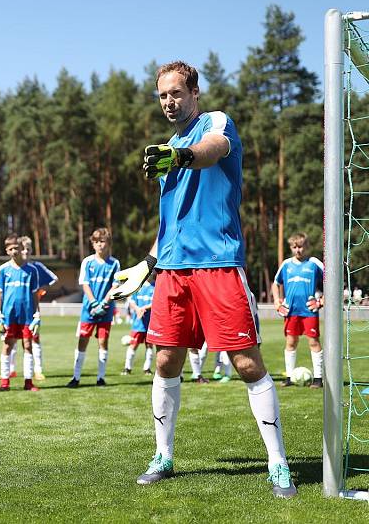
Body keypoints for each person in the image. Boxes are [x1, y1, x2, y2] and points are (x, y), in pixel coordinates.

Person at [109, 61, 295, 497]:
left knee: (246, 363)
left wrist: (183, 155)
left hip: (218, 264)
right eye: (162, 96)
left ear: (194, 92)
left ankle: (279, 462)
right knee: (164, 361)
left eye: (176, 93)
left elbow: (214, 148)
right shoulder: (167, 149)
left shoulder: (214, 123)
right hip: (172, 271)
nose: (169, 102)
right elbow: (172, 220)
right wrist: (147, 264)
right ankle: (164, 456)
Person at [66, 228, 120, 388]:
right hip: (88, 311)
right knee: (83, 341)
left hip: (106, 310)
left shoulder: (115, 263)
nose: (99, 245)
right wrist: (94, 303)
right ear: (92, 244)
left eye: (102, 241)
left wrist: (104, 303)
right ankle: (76, 377)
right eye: (96, 242)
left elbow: (115, 285)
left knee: (103, 342)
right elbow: (85, 284)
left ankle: (100, 378)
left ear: (108, 243)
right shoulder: (87, 262)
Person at [272, 232, 324, 389]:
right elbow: (275, 283)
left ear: (306, 246)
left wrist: (322, 301)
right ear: (291, 248)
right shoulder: (286, 264)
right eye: (294, 247)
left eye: (300, 246)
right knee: (291, 342)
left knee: (313, 342)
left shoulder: (314, 263)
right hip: (291, 311)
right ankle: (289, 377)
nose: (298, 250)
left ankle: (318, 379)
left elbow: (333, 279)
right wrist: (276, 301)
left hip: (309, 311)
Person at [0, 235, 42, 391]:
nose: (14, 251)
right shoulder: (3, 270)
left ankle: (28, 382)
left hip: (27, 316)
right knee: (7, 346)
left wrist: (37, 315)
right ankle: (5, 382)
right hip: (9, 316)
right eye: (10, 249)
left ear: (22, 249)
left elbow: (35, 294)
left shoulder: (32, 270)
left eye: (17, 248)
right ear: (7, 251)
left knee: (28, 345)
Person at [20, 235, 57, 380]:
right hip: (14, 309)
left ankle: (38, 369)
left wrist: (41, 290)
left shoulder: (37, 266)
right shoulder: (12, 267)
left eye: (27, 249)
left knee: (34, 338)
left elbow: (53, 278)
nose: (25, 251)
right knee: (10, 339)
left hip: (32, 308)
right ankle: (10, 370)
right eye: (22, 249)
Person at [121, 272, 155, 376]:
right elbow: (131, 301)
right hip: (138, 323)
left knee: (149, 346)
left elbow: (156, 302)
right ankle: (127, 368)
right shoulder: (138, 286)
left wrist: (144, 308)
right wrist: (137, 309)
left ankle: (147, 368)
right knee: (133, 345)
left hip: (151, 323)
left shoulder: (156, 286)